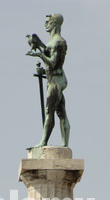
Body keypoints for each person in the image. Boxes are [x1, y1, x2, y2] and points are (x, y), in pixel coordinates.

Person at [27, 14, 70, 148]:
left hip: (57, 81)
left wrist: (39, 55)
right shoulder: (52, 42)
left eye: (48, 22)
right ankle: (64, 144)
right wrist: (43, 71)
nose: (46, 24)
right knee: (61, 112)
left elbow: (53, 63)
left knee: (49, 110)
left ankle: (44, 142)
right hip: (52, 79)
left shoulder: (59, 42)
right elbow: (49, 60)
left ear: (55, 23)